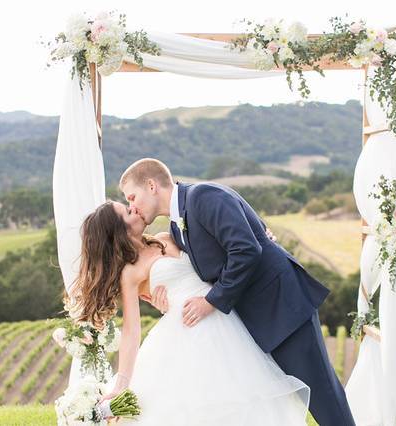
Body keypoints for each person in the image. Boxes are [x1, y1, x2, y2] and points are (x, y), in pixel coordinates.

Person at [117, 158, 355, 426]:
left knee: (324, 396)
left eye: (132, 197)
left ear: (151, 185)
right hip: (250, 321)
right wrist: (170, 298)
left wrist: (210, 301)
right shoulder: (175, 226)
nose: (132, 206)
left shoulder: (203, 196)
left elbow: (246, 250)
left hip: (281, 307)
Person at [67, 199, 310, 425]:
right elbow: (132, 330)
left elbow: (213, 256)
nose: (136, 208)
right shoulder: (129, 273)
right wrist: (121, 383)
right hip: (186, 331)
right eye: (128, 212)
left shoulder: (166, 237)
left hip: (223, 319)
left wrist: (259, 236)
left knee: (244, 395)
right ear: (117, 230)